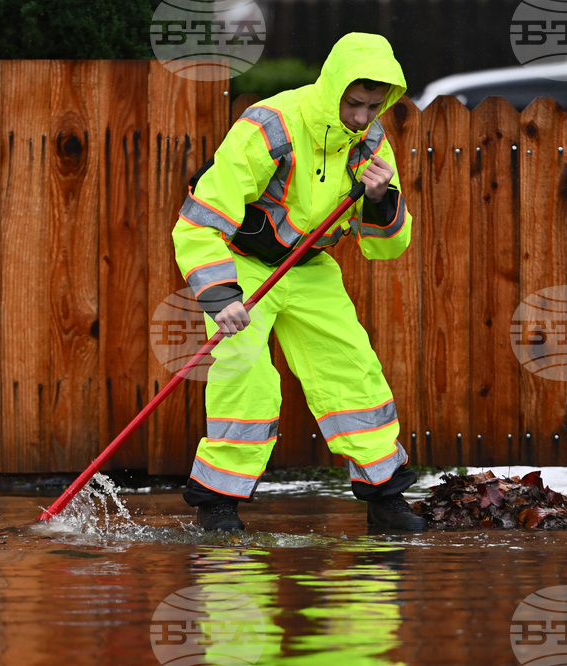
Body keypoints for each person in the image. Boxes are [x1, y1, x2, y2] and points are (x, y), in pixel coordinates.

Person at [172, 32, 426, 532]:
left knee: (353, 372)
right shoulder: (270, 125)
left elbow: (387, 244)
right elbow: (200, 221)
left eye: (374, 106)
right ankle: (219, 504)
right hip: (243, 266)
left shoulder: (371, 142)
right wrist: (221, 294)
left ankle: (385, 497)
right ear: (333, 89)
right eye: (354, 103)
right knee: (244, 378)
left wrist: (379, 200)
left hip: (310, 268)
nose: (361, 116)